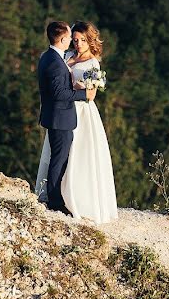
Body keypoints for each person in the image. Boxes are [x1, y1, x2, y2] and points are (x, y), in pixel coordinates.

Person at [35, 20, 118, 224]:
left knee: (79, 156)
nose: (78, 43)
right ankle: (56, 196)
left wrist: (81, 90)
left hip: (81, 112)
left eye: (82, 40)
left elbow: (91, 95)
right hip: (64, 110)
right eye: (75, 39)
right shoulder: (67, 56)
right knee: (59, 155)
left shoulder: (92, 64)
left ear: (90, 40)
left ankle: (78, 199)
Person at [35, 21, 95, 213]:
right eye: (70, 38)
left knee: (59, 158)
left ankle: (56, 196)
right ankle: (54, 201)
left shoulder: (50, 57)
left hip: (59, 116)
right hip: (60, 117)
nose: (72, 42)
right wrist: (83, 94)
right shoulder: (55, 61)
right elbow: (59, 93)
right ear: (62, 39)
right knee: (59, 159)